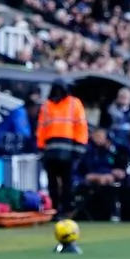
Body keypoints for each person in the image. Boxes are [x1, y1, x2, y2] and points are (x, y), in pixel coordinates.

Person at [36, 78, 87, 220]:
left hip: (68, 151)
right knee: (52, 184)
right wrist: (41, 148)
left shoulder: (74, 103)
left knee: (67, 183)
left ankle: (65, 210)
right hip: (51, 152)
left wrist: (79, 148)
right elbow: (41, 129)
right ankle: (55, 210)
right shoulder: (47, 106)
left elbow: (81, 126)